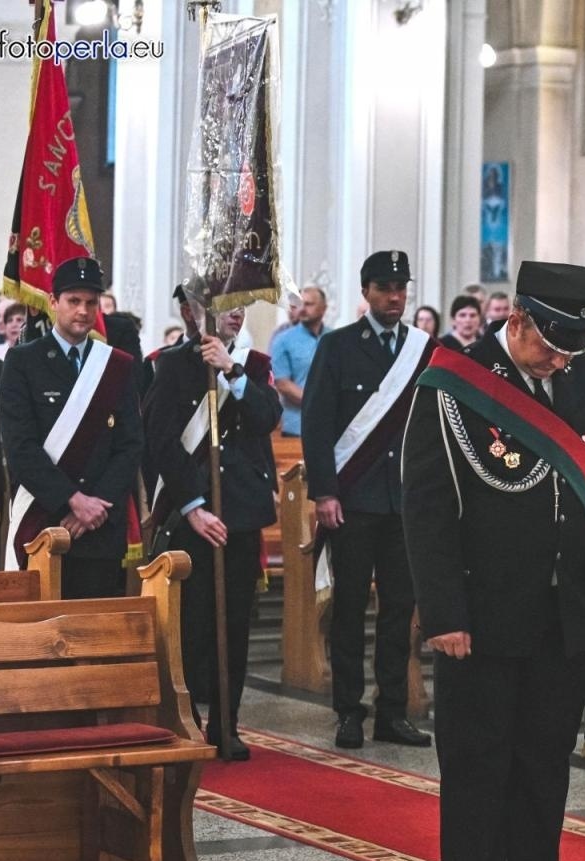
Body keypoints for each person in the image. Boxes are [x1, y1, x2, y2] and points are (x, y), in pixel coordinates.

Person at [402, 261, 585, 861]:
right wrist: (443, 610)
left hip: (562, 614)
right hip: (480, 615)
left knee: (545, 768)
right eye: (550, 344)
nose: (561, 360)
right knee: (480, 767)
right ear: (515, 320)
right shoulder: (454, 381)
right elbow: (425, 507)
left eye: (572, 347)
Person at [303, 252, 433, 749]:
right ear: (366, 291)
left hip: (404, 503)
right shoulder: (338, 347)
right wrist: (325, 492)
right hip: (353, 501)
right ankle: (348, 711)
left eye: (401, 287)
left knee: (400, 610)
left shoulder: (422, 350)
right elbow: (317, 424)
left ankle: (393, 712)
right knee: (351, 608)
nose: (395, 297)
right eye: (384, 288)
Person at [143, 291, 281, 760]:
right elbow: (161, 441)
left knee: (235, 624)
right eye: (225, 303)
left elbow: (267, 417)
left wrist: (231, 370)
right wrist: (194, 506)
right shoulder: (171, 364)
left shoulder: (254, 363)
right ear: (193, 312)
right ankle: (188, 718)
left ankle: (227, 722)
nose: (236, 311)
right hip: (193, 513)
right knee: (193, 624)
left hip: (240, 511)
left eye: (241, 302)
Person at [0, 257, 144, 597]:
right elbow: (20, 447)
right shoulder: (23, 363)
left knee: (97, 635)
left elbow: (130, 444)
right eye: (73, 301)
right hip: (45, 522)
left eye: (91, 302)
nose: (82, 310)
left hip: (100, 526)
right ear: (53, 303)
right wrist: (72, 500)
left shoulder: (114, 365)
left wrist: (94, 506)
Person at [272, 285, 327, 437]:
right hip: (297, 426)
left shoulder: (334, 338)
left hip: (330, 425)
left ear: (323, 308)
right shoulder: (283, 340)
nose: (302, 309)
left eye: (309, 304)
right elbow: (282, 384)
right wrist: (319, 404)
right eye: (301, 304)